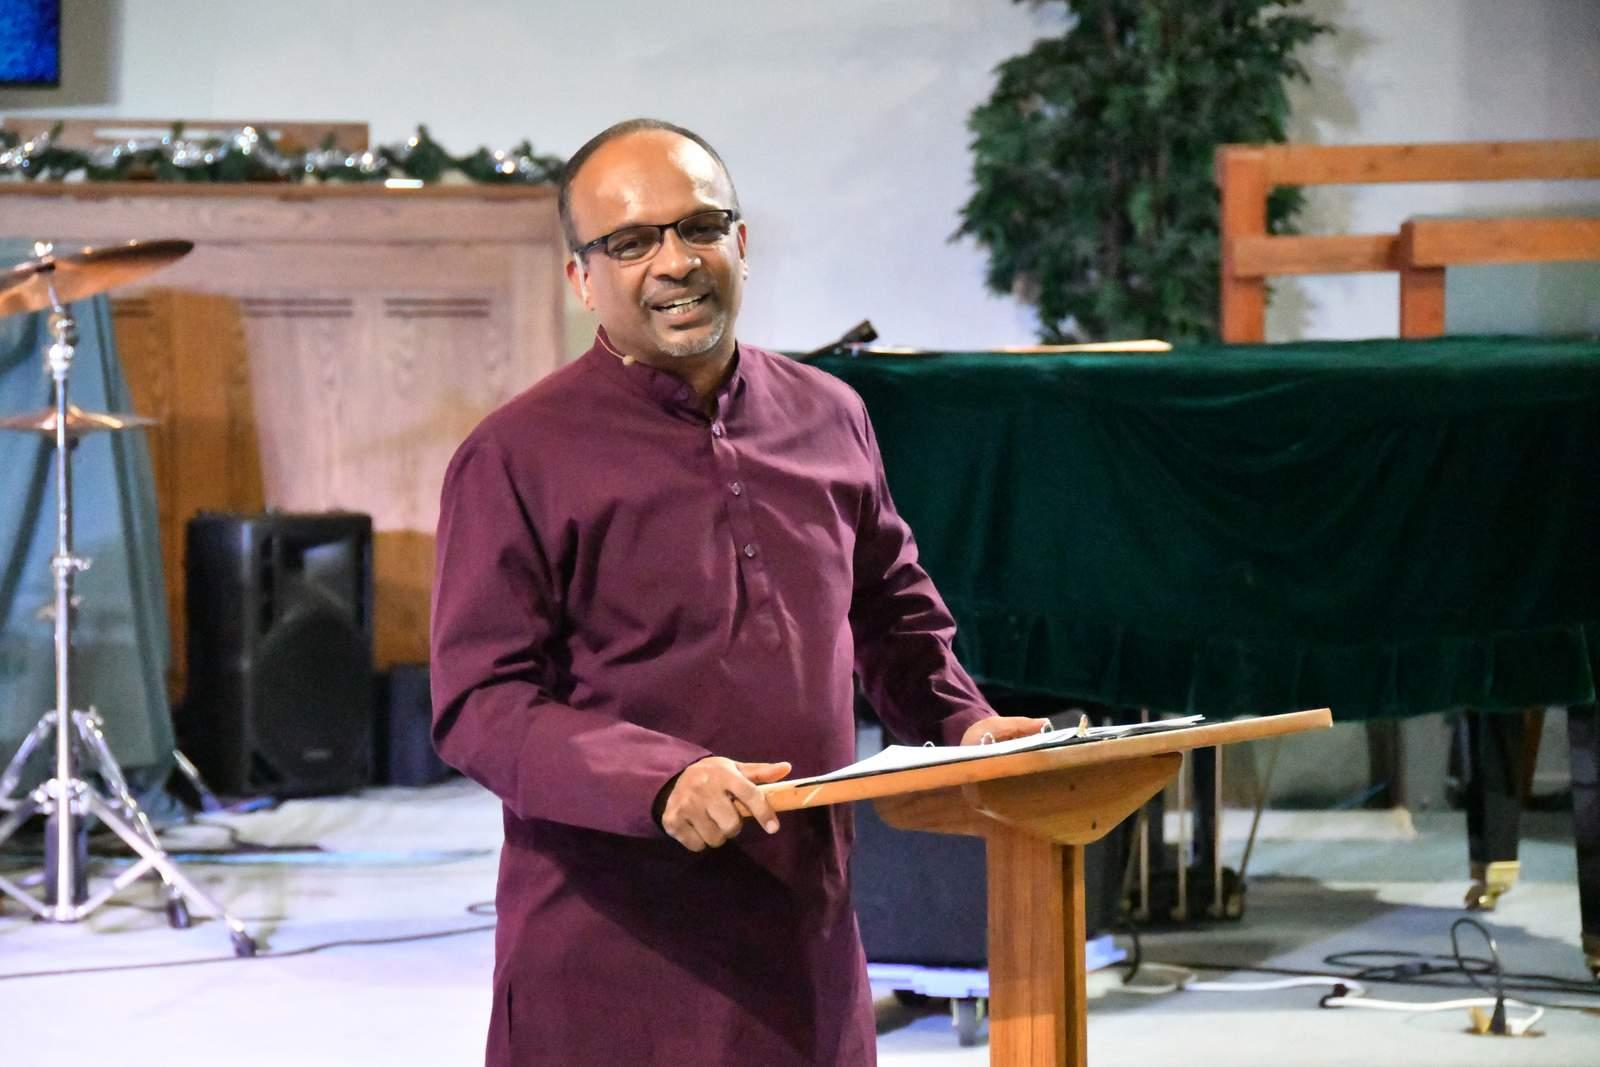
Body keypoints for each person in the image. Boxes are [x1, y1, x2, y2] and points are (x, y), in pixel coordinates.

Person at [430, 117, 1045, 1067]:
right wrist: (658, 781)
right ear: (581, 279)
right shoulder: (514, 456)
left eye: (700, 227)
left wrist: (963, 724)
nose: (675, 261)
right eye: (631, 242)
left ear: (742, 244)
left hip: (804, 937)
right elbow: (480, 702)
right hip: (610, 954)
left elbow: (892, 613)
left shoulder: (830, 414)